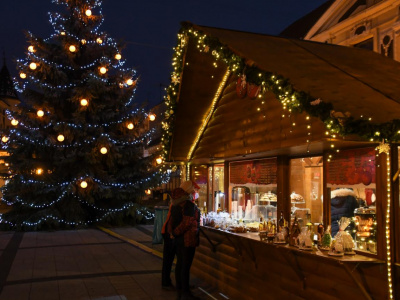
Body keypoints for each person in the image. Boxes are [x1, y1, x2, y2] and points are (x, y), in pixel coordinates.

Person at [168, 181, 201, 300]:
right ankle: (185, 292)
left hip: (178, 240)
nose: (195, 192)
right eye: (193, 190)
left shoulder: (175, 204)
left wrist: (173, 233)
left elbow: (171, 221)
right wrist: (176, 232)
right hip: (187, 240)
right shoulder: (188, 205)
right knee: (185, 266)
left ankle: (180, 289)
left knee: (180, 264)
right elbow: (187, 222)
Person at [161, 194, 176, 290]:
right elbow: (172, 220)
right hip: (169, 233)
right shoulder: (177, 204)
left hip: (167, 232)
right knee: (168, 259)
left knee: (168, 259)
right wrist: (172, 233)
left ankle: (166, 281)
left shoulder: (175, 202)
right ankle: (166, 282)